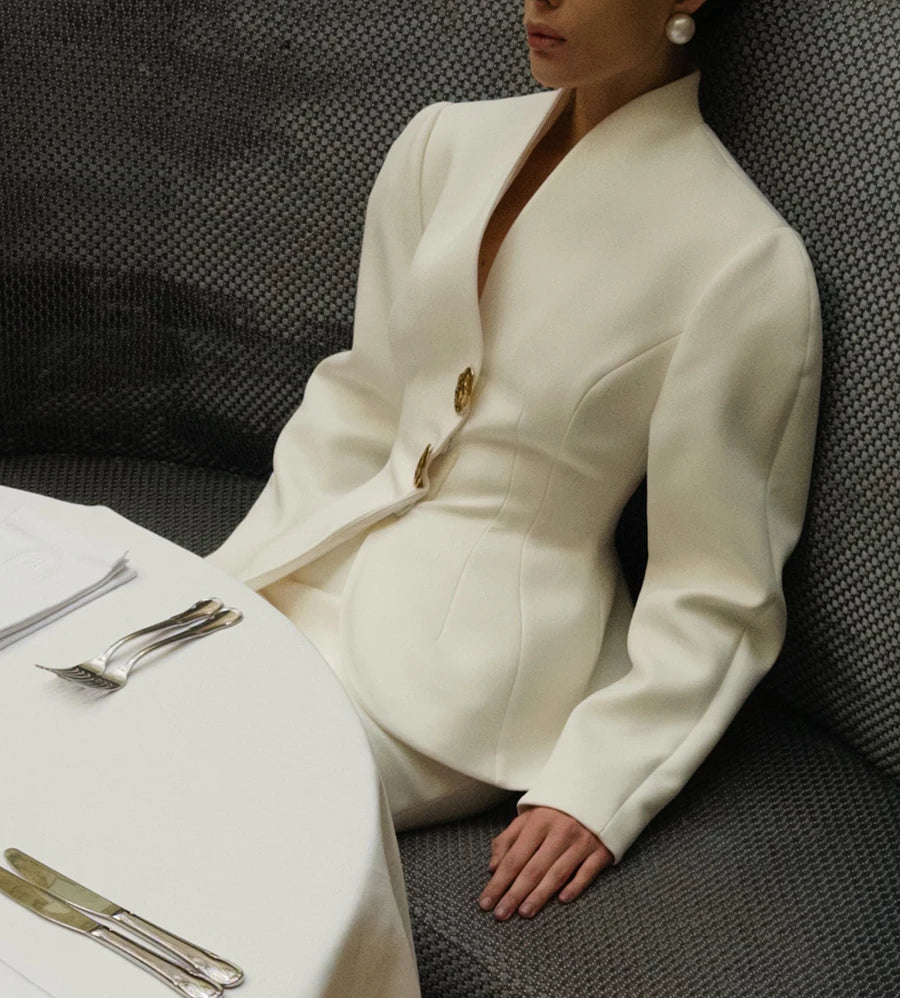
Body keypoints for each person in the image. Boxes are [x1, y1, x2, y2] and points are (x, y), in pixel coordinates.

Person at [210, 0, 822, 932]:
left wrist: (600, 784)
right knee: (83, 716)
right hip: (307, 573)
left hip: (468, 678)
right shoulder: (440, 144)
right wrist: (233, 580)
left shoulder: (745, 263)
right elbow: (362, 398)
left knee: (216, 795)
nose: (538, 0)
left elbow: (720, 585)